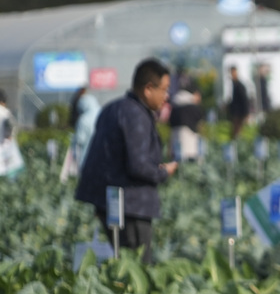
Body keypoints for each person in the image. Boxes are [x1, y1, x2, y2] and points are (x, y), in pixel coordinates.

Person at [74, 58, 178, 263]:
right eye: (164, 89)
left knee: (121, 264)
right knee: (137, 267)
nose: (167, 96)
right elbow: (138, 165)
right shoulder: (136, 115)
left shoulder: (112, 108)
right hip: (133, 208)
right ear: (148, 89)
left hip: (109, 203)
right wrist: (163, 172)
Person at [169, 82, 204, 162]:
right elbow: (200, 124)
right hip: (190, 142)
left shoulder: (175, 105)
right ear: (195, 94)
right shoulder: (193, 107)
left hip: (175, 139)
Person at [72, 93, 101, 168]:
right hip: (104, 160)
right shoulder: (103, 113)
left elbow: (79, 140)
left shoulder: (84, 119)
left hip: (87, 160)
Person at [227, 65, 249, 139]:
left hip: (239, 113)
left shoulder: (239, 86)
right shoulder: (233, 85)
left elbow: (244, 100)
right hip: (235, 112)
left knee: (238, 132)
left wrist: (246, 113)